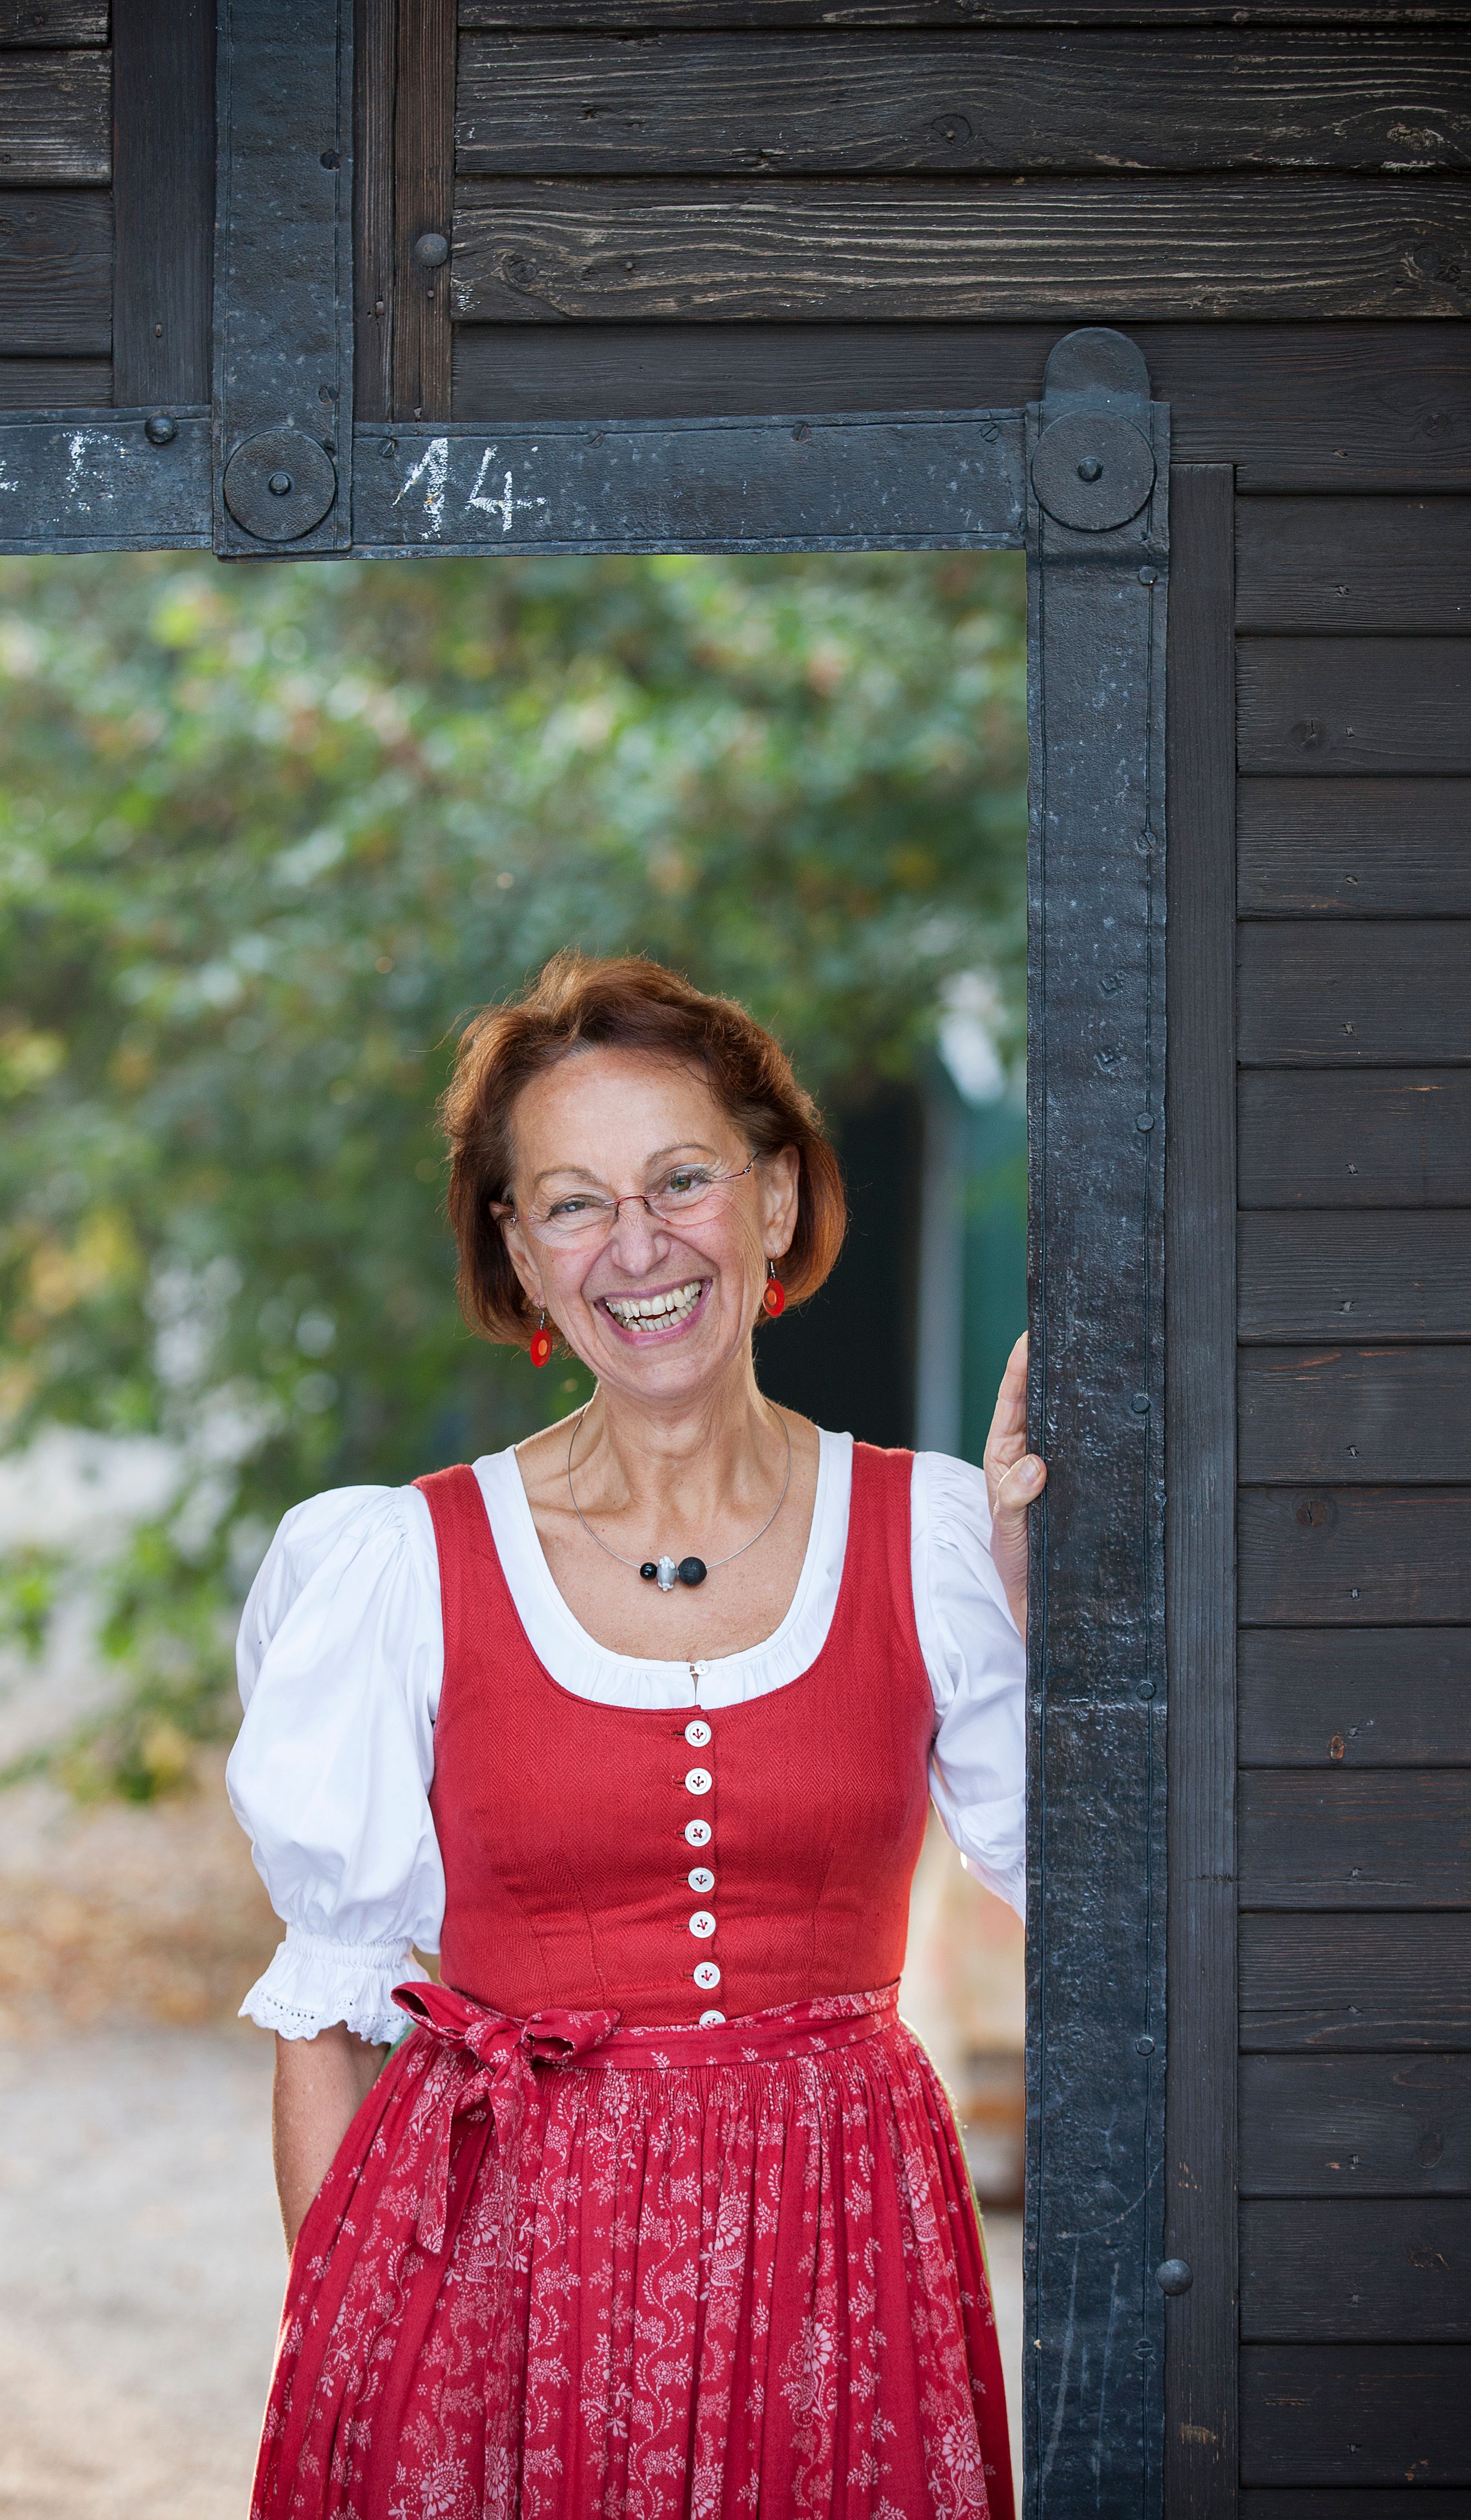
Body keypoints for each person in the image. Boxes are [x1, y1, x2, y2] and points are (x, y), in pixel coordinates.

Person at [227, 951, 1045, 2520]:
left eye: (682, 1179)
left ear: (778, 1200)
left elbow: (1087, 1891)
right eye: (572, 1204)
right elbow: (326, 2010)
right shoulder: (401, 1566)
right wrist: (345, 2360)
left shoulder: (937, 1538)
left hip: (840, 2258)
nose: (637, 1244)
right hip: (501, 2285)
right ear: (518, 1255)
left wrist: (1043, 1619)